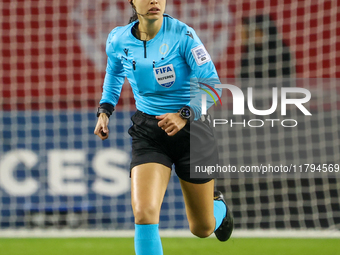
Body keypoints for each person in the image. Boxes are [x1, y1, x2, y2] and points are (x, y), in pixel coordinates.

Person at [94, 1, 233, 254]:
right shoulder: (118, 39)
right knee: (144, 213)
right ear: (133, 1)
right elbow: (114, 73)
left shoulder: (184, 35)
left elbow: (212, 85)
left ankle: (219, 207)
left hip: (193, 130)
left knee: (201, 228)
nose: (154, 1)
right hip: (149, 132)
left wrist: (184, 114)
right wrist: (105, 110)